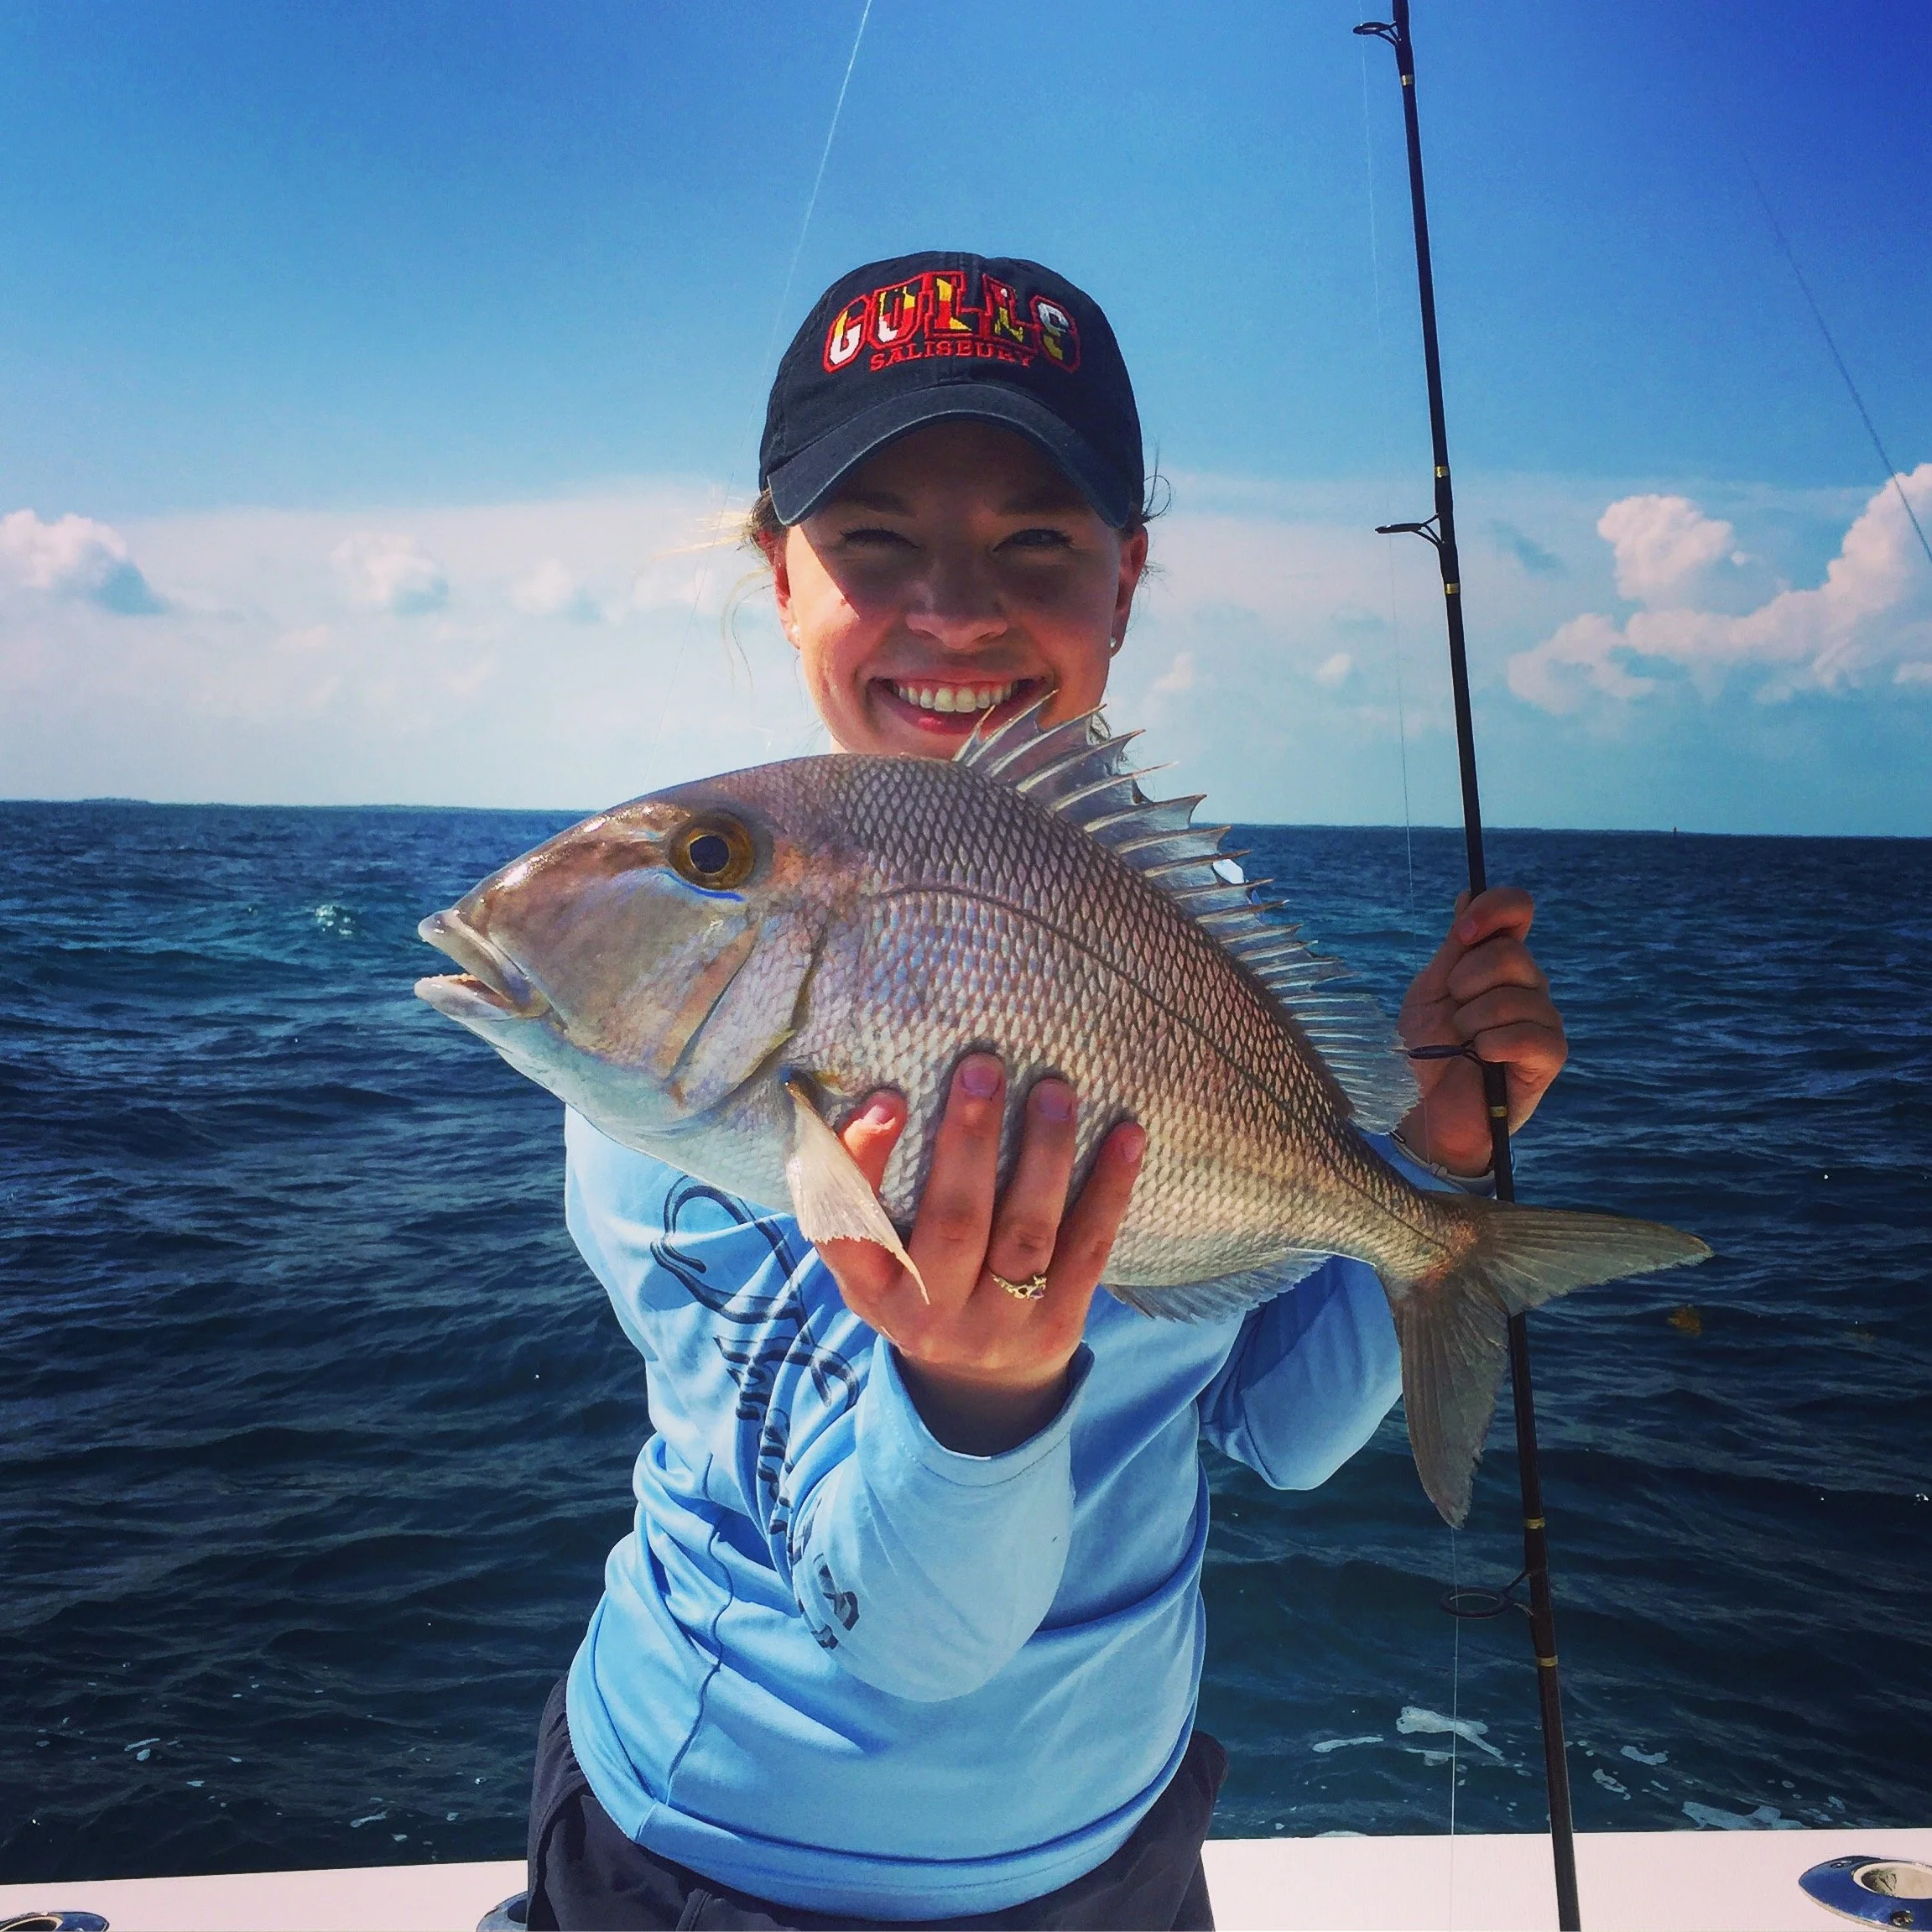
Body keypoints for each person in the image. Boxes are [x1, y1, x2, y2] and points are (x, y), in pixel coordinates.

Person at [519, 253, 1568, 1931]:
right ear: (776, 573)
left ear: (1124, 576)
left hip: (1118, 1848)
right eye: (871, 540)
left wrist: (1427, 1164)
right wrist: (970, 1390)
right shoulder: (682, 1113)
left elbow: (1278, 1435)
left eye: (1034, 540)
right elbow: (913, 1637)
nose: (952, 609)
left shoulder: (1161, 954)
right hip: (715, 1863)